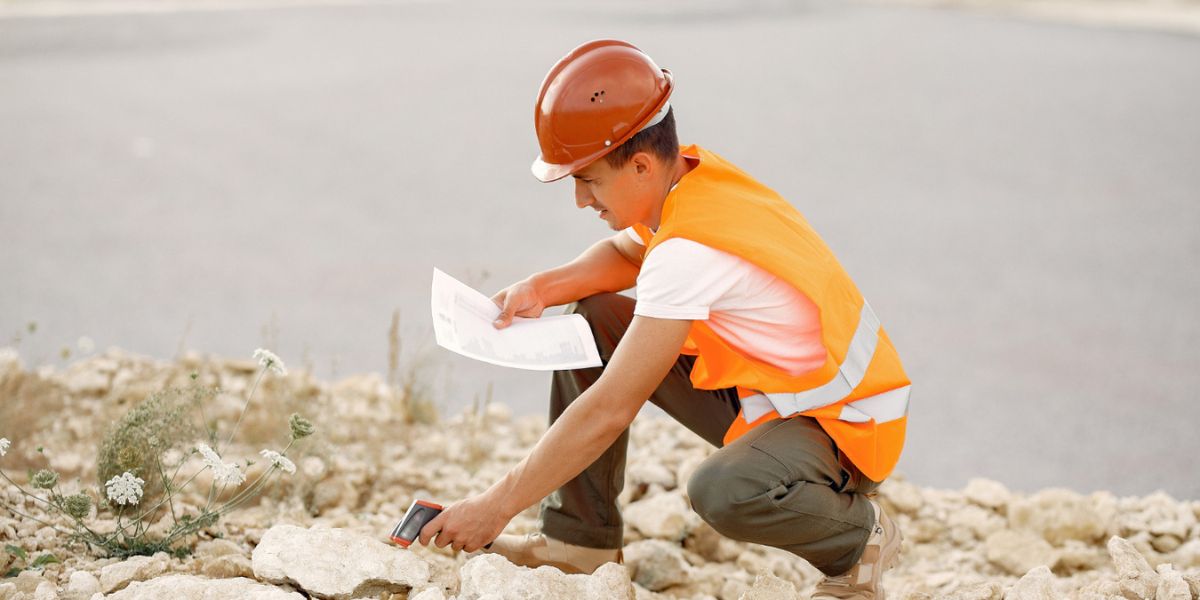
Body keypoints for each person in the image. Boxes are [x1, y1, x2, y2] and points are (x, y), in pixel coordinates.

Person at [416, 39, 912, 599]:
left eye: (588, 180)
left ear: (642, 165)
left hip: (845, 428)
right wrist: (545, 287)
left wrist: (493, 507)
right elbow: (629, 254)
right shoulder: (691, 179)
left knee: (724, 489)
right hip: (779, 398)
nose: (581, 200)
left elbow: (609, 409)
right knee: (600, 316)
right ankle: (580, 545)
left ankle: (856, 540)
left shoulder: (689, 250)